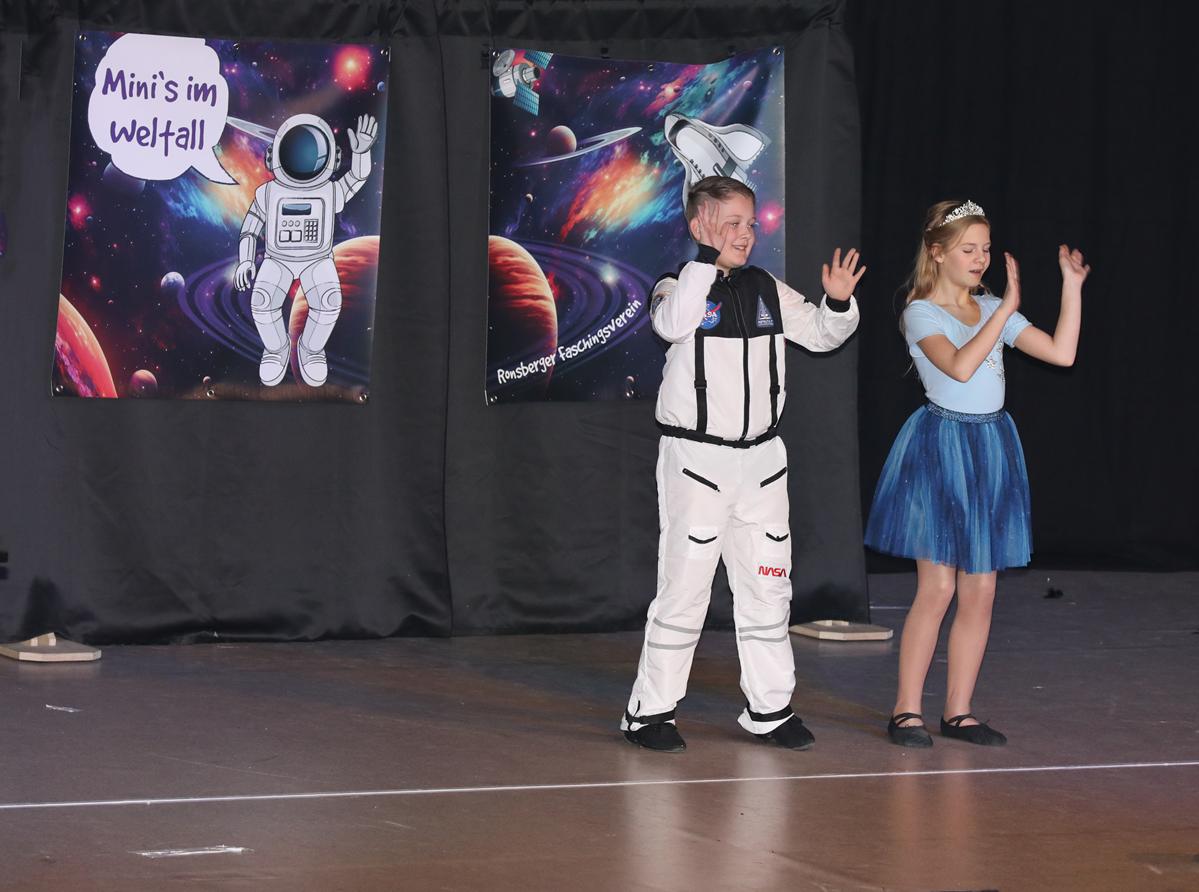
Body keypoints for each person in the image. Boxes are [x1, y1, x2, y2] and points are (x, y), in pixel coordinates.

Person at [621, 175, 864, 753]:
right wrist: (705, 262)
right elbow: (672, 325)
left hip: (762, 465)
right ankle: (649, 713)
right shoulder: (676, 286)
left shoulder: (767, 289)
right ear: (699, 225)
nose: (745, 234)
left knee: (768, 590)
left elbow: (823, 335)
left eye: (750, 223)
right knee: (685, 590)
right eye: (731, 223)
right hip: (697, 462)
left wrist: (836, 302)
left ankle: (770, 708)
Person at [864, 199, 1089, 747]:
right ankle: (906, 710)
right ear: (937, 253)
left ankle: (958, 711)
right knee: (938, 587)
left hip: (990, 446)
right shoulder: (920, 312)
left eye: (985, 249)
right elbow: (961, 369)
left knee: (981, 589)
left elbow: (1061, 354)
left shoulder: (990, 307)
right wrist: (1003, 311)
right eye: (968, 249)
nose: (980, 258)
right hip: (941, 447)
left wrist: (1071, 286)